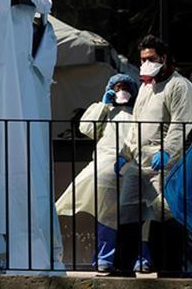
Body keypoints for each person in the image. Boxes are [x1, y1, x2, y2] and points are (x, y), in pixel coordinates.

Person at [117, 35, 192, 273]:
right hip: (138, 162)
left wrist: (167, 151)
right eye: (142, 59)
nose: (146, 64)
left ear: (164, 57)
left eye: (151, 58)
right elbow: (136, 124)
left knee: (165, 214)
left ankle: (169, 269)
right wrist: (125, 153)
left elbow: (181, 124)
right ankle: (123, 268)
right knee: (127, 212)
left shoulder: (179, 86)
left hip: (164, 163)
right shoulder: (146, 86)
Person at [55, 74, 139, 272]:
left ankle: (135, 259)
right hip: (105, 168)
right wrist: (103, 105)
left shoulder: (138, 113)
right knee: (107, 215)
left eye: (125, 88)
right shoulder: (105, 111)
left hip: (131, 167)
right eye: (117, 88)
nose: (121, 91)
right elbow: (86, 129)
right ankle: (105, 259)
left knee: (133, 217)